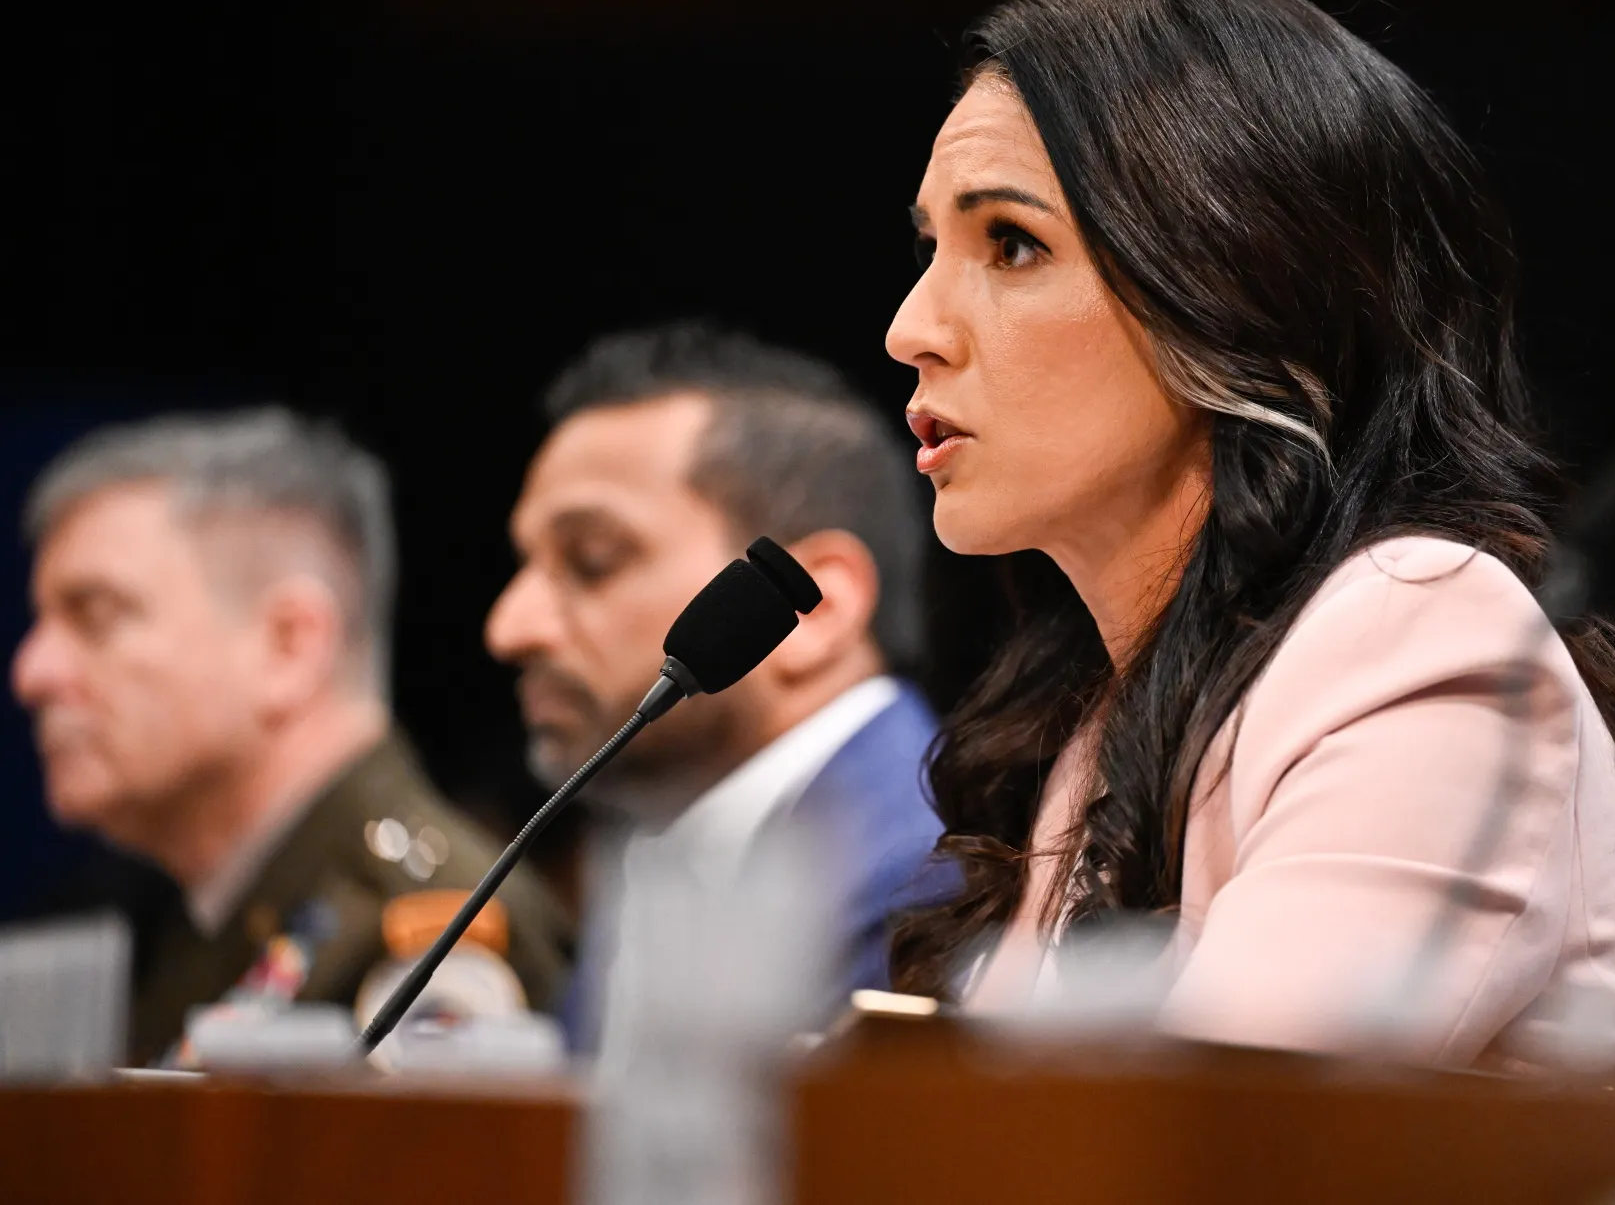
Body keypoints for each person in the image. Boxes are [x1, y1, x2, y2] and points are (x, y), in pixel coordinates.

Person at [884, 0, 1615, 1090]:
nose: (909, 329)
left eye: (1012, 245)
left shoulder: (1418, 625)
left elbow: (1209, 1145)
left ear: (1231, 283)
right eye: (928, 248)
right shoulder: (1107, 708)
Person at [10, 408, 571, 1065]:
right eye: (42, 622)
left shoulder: (427, 928)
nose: (33, 672)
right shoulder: (202, 913)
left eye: (97, 616)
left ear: (289, 647)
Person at [484, 322, 943, 1047]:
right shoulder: (678, 838)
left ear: (810, 610)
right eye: (525, 566)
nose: (510, 626)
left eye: (593, 560)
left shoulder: (935, 883)